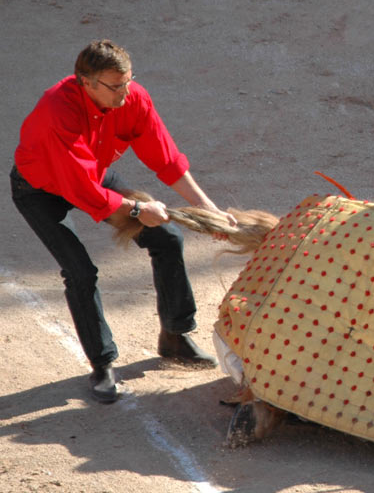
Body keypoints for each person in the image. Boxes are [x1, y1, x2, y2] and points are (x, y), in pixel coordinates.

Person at [10, 39, 237, 404]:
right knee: (80, 271)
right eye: (115, 86)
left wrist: (207, 208)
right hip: (40, 188)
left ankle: (176, 336)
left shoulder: (132, 99)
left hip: (93, 177)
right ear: (86, 82)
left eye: (128, 81)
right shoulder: (58, 113)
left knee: (166, 237)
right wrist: (135, 210)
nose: (125, 92)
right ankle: (102, 364)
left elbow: (166, 159)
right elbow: (81, 189)